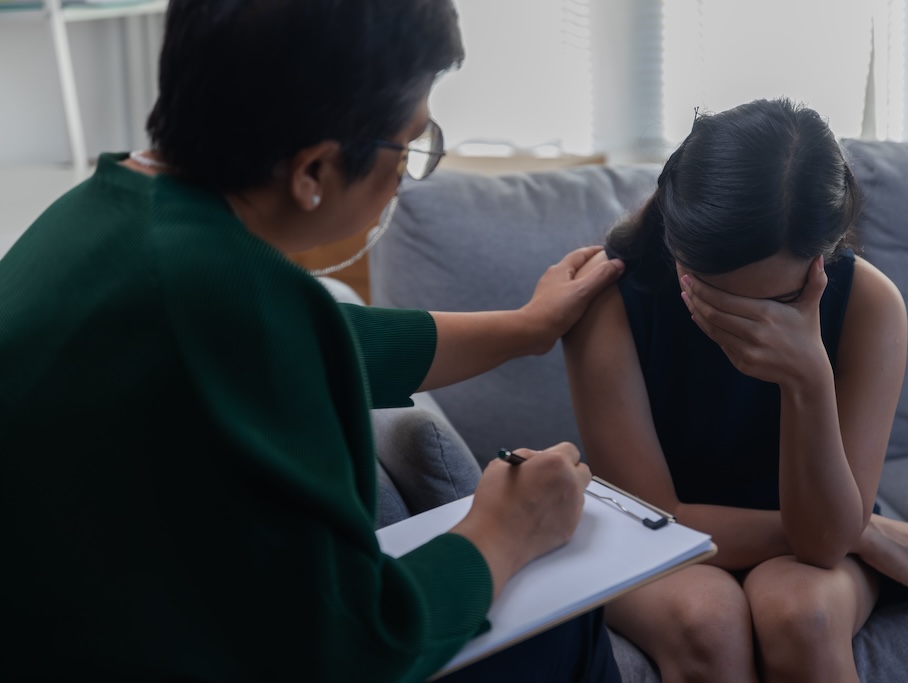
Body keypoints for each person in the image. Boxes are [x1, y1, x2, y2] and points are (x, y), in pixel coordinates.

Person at [0, 1, 626, 681]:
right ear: (314, 172)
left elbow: (334, 342)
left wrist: (527, 327)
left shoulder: (96, 216)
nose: (407, 175)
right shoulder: (238, 302)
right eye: (409, 143)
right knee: (563, 628)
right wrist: (510, 525)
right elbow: (357, 643)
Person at [563, 98, 908, 683]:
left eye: (774, 304)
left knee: (801, 615)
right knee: (706, 620)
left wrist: (808, 377)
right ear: (677, 241)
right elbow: (656, 520)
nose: (743, 324)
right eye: (711, 294)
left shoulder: (871, 305)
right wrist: (864, 532)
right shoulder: (610, 299)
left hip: (816, 537)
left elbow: (820, 545)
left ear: (821, 262)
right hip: (660, 543)